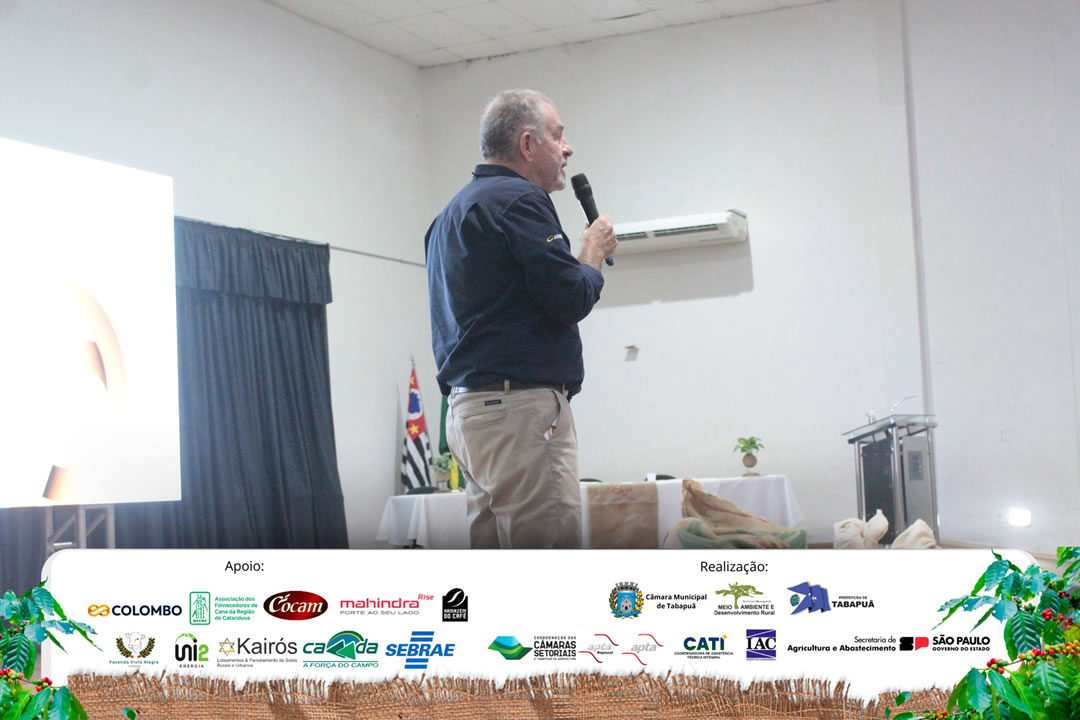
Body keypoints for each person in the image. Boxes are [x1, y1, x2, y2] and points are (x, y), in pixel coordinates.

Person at [425, 89, 617, 549]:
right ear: (528, 145)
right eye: (558, 135)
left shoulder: (449, 215)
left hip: (467, 413)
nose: (568, 148)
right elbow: (570, 298)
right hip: (518, 415)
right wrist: (591, 252)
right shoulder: (520, 199)